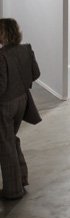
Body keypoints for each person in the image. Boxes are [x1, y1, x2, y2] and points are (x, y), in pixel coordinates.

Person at [0, 19, 39, 200]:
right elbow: (36, 73)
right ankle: (21, 179)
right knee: (11, 141)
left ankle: (13, 190)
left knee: (5, 147)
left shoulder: (2, 56)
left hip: (5, 106)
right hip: (22, 101)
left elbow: (1, 86)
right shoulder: (26, 49)